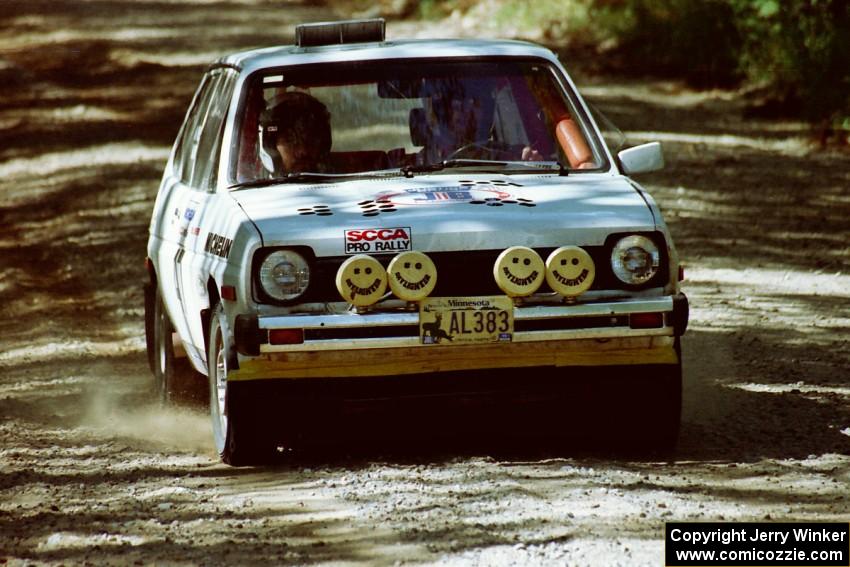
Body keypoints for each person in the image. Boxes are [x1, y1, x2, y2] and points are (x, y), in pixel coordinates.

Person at [258, 91, 332, 174]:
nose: (302, 150)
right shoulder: (252, 183)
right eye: (290, 141)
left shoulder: (344, 182)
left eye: (310, 140)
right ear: (270, 146)